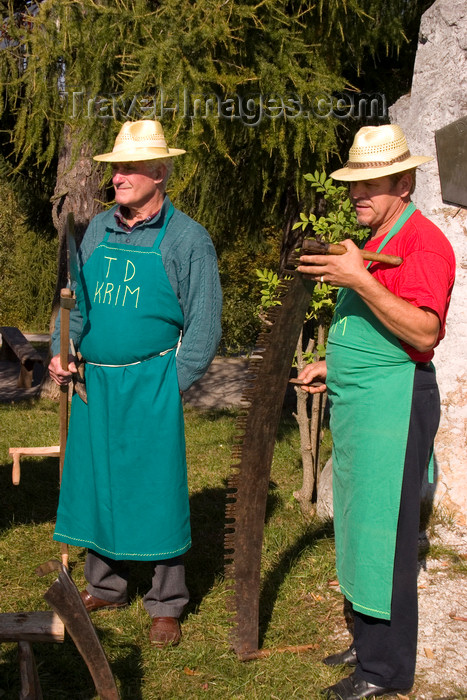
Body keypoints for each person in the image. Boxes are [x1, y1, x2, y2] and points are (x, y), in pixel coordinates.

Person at [48, 119, 222, 647]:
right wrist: (64, 350)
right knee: (97, 479)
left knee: (157, 487)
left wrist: (172, 383)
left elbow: (205, 325)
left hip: (152, 385)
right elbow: (76, 303)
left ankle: (165, 602)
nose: (117, 177)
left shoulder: (188, 239)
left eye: (128, 168)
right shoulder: (95, 230)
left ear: (160, 172)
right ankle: (105, 584)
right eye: (114, 169)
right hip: (95, 384)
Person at [297, 124, 455, 699]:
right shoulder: (370, 240)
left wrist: (359, 278)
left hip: (395, 402)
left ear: (405, 182)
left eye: (373, 183)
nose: (358, 194)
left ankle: (386, 671)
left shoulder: (424, 244)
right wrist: (333, 368)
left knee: (385, 537)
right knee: (360, 529)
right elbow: (373, 329)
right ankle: (368, 642)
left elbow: (423, 329)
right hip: (363, 398)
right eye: (353, 184)